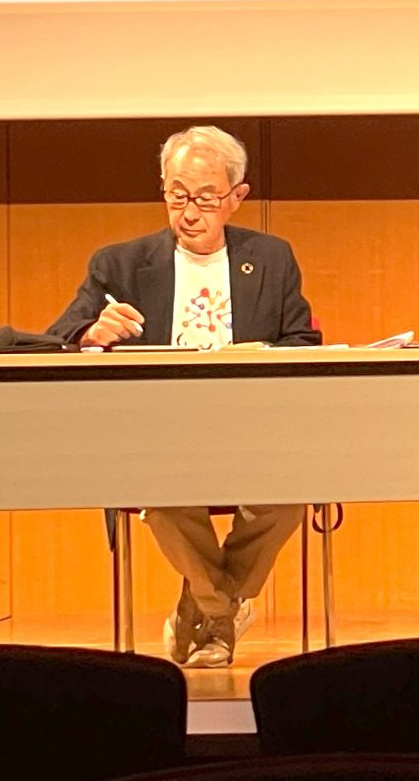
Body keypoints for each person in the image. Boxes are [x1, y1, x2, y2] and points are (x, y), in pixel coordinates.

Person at [48, 125, 321, 667]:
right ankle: (222, 613)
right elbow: (58, 337)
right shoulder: (120, 265)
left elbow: (302, 342)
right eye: (177, 195)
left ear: (237, 197)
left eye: (205, 198)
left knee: (288, 496)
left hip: (253, 432)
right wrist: (91, 334)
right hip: (158, 439)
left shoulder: (271, 258)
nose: (189, 212)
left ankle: (203, 606)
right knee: (163, 494)